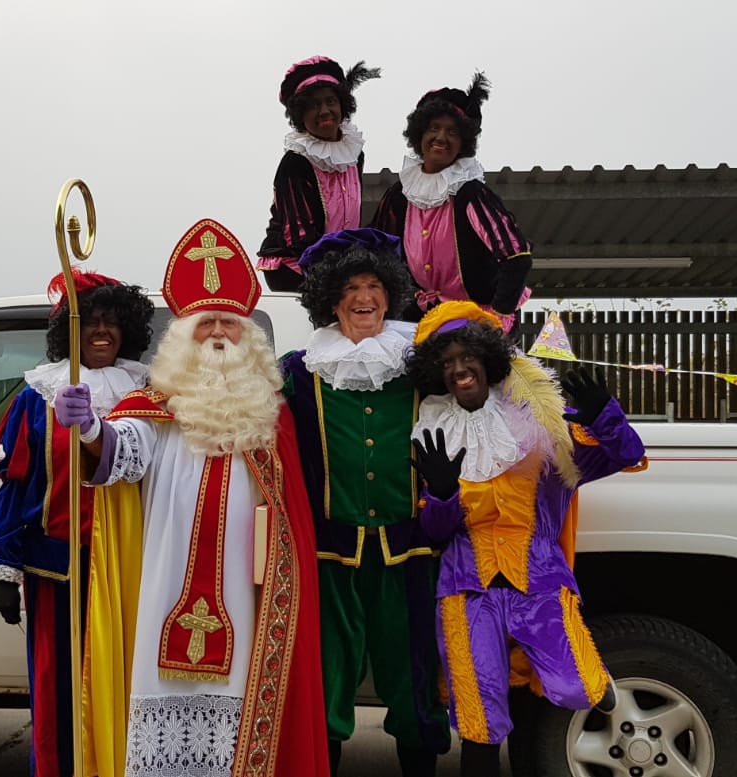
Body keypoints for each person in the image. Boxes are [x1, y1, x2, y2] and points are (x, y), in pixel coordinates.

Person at [56, 219, 329, 777]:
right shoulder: (152, 409)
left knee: (241, 717)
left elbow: (289, 516)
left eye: (231, 321)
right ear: (183, 336)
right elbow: (120, 455)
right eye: (207, 324)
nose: (220, 333)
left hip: (248, 600)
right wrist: (88, 430)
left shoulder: (270, 418)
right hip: (162, 590)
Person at [405, 301, 645, 777]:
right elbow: (432, 534)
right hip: (465, 589)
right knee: (479, 722)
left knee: (578, 687)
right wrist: (444, 493)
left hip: (538, 580)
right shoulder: (433, 430)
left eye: (465, 357)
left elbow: (624, 454)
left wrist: (604, 417)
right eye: (446, 363)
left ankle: (594, 683)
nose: (458, 370)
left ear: (486, 358)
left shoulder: (538, 425)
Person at [278, 229, 449, 776]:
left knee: (412, 669)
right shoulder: (300, 372)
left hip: (408, 547)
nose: (364, 296)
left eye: (374, 284)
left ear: (388, 293)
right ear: (332, 299)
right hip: (331, 552)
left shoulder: (421, 362)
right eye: (351, 286)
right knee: (329, 673)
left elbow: (485, 391)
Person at [0, 271, 156, 777]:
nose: (101, 332)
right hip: (56, 569)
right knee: (58, 692)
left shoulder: (146, 392)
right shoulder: (38, 396)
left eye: (111, 322)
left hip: (131, 571)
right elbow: (19, 484)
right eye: (89, 323)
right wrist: (3, 565)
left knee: (125, 687)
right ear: (69, 334)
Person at [372, 73, 532, 327]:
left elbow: (517, 257)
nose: (441, 138)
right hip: (421, 319)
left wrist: (496, 316)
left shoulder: (471, 194)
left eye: (452, 132)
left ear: (463, 143)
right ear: (419, 134)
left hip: (475, 319)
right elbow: (378, 252)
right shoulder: (399, 195)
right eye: (434, 128)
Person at [258, 56, 381, 293]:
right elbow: (299, 236)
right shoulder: (295, 162)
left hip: (341, 265)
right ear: (300, 115)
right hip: (295, 267)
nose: (324, 111)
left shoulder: (354, 154)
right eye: (313, 105)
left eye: (330, 102)